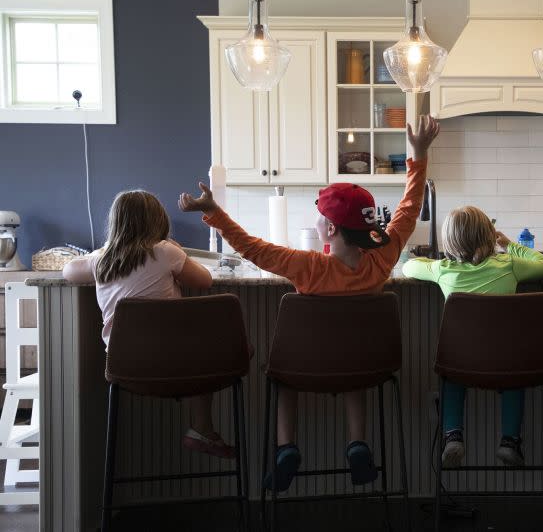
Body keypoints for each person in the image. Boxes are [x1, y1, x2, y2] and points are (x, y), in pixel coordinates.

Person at [179, 115, 440, 493]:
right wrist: (418, 155)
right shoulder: (384, 259)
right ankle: (357, 442)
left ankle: (287, 446)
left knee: (282, 372)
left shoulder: (306, 266)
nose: (316, 221)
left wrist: (216, 213)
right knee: (355, 365)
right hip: (362, 364)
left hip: (305, 368)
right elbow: (409, 208)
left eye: (320, 217)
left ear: (331, 230)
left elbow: (251, 248)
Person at [62, 191, 232, 458]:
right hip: (176, 363)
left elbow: (68, 271)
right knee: (205, 349)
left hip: (123, 366)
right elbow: (205, 280)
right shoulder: (165, 252)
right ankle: (202, 428)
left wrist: (104, 250)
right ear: (158, 222)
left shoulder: (101, 261)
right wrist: (175, 250)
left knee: (196, 348)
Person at [402, 206, 543, 468]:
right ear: (489, 237)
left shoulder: (443, 269)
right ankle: (509, 441)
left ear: (448, 241)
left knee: (451, 372)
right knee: (514, 374)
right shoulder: (509, 264)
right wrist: (510, 245)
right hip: (506, 361)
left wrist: (434, 261)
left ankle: (453, 436)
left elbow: (408, 267)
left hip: (461, 362)